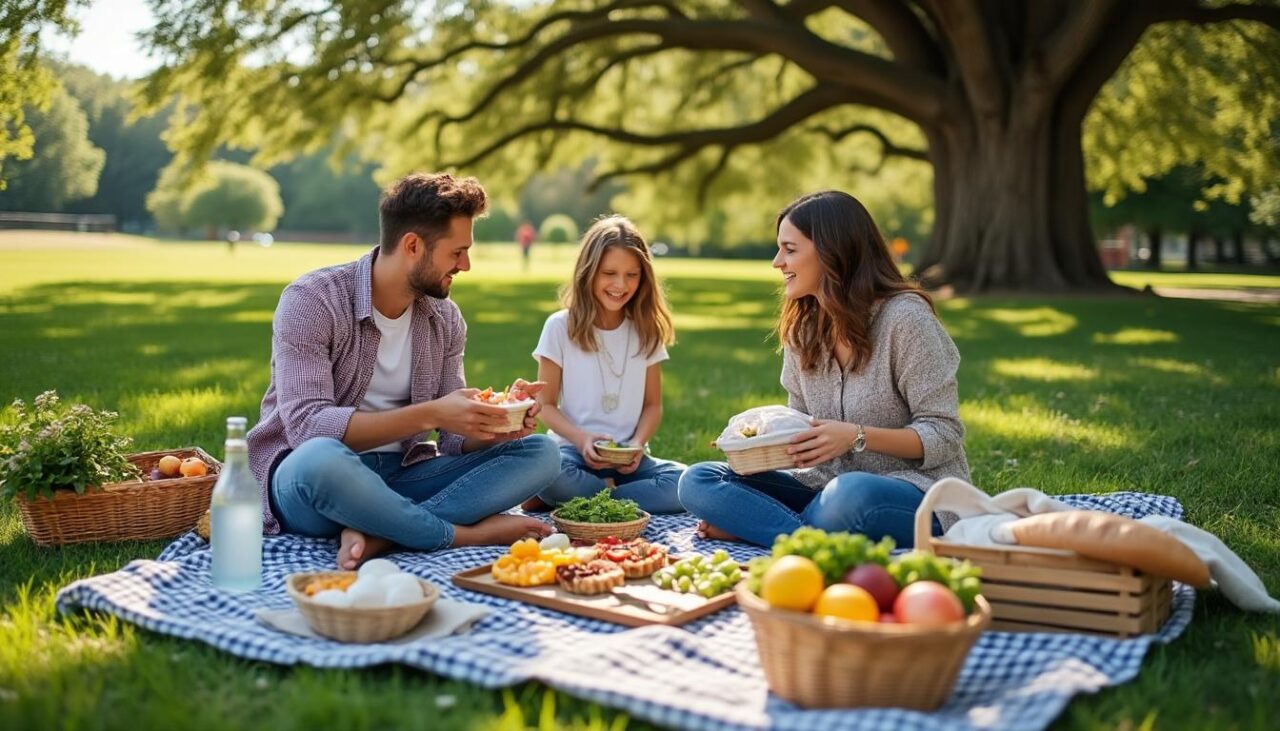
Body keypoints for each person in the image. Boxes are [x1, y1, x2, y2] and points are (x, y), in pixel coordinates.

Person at [247, 172, 558, 569]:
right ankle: (458, 534)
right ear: (413, 245)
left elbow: (450, 440)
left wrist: (496, 424)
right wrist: (430, 413)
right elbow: (307, 427)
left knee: (542, 453)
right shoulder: (312, 301)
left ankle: (380, 530)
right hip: (315, 481)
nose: (466, 265)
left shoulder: (445, 318)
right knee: (320, 458)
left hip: (402, 475)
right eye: (457, 252)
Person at [677, 190, 969, 548]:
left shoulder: (906, 320)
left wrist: (856, 436)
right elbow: (801, 425)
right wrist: (761, 443)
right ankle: (804, 534)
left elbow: (944, 433)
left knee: (849, 494)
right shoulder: (803, 330)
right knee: (699, 480)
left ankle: (767, 529)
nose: (776, 262)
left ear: (832, 253)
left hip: (918, 493)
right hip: (823, 487)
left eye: (790, 249)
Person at [522, 215, 686, 514]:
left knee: (685, 483)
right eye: (609, 272)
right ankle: (598, 497)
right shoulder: (560, 326)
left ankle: (591, 499)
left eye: (632, 275)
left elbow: (653, 406)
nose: (620, 285)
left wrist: (637, 443)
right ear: (588, 272)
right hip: (571, 451)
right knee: (550, 474)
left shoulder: (646, 330)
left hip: (628, 459)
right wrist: (581, 439)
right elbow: (544, 404)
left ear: (643, 277)